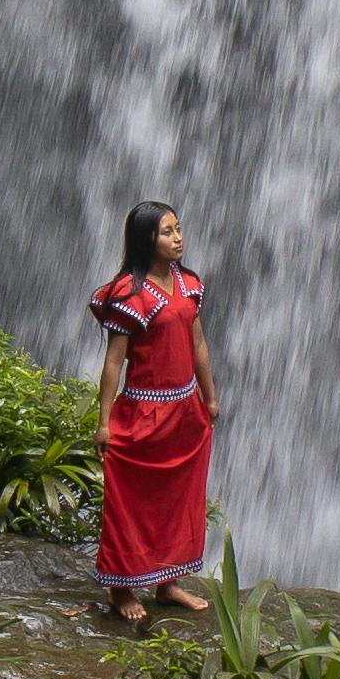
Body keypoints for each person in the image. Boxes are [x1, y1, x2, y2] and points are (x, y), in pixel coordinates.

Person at [90, 197, 215, 623]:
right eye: (167, 232)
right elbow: (113, 363)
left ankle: (168, 584)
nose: (178, 238)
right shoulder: (129, 293)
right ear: (147, 240)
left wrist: (209, 396)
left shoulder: (188, 284)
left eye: (178, 229)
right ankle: (121, 589)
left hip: (183, 411)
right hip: (143, 413)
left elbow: (198, 343)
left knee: (178, 499)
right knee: (132, 502)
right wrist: (104, 423)